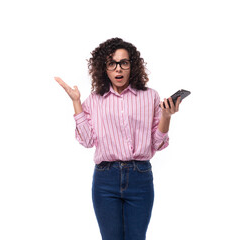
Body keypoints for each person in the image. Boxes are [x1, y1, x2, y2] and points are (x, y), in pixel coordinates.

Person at [55, 37, 181, 240]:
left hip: (140, 176)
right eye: (111, 64)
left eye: (124, 63)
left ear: (132, 65)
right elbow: (87, 141)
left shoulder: (150, 96)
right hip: (105, 179)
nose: (118, 69)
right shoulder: (94, 100)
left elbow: (158, 143)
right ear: (103, 68)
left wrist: (166, 116)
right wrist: (76, 102)